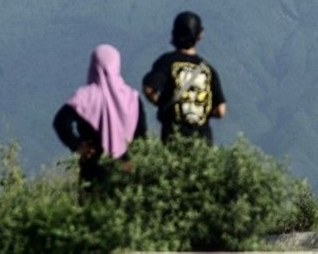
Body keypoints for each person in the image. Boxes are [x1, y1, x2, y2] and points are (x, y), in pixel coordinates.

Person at [53, 44, 147, 184]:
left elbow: (60, 121)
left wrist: (78, 146)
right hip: (126, 167)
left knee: (92, 204)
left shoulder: (84, 97)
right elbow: (141, 135)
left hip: (93, 166)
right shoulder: (132, 98)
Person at [142, 11, 226, 143]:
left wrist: (162, 104)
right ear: (199, 36)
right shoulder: (208, 70)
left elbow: (149, 88)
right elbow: (221, 110)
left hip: (173, 139)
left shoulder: (167, 62)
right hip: (202, 144)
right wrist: (201, 111)